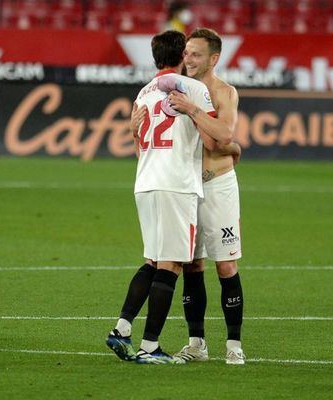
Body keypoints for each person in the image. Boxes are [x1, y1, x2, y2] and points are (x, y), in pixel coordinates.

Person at [105, 30, 232, 365]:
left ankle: (121, 329)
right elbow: (217, 137)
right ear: (181, 56)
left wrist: (134, 131)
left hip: (145, 182)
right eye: (188, 53)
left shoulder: (143, 92)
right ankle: (149, 347)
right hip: (176, 184)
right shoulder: (193, 88)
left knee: (152, 260)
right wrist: (195, 112)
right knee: (172, 264)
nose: (191, 59)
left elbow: (138, 142)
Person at [166, 28, 245, 365]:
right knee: (191, 264)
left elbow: (223, 135)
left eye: (196, 54)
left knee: (225, 265)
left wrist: (193, 110)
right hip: (186, 187)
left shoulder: (224, 92)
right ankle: (196, 343)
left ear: (214, 59)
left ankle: (234, 344)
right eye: (186, 52)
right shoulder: (173, 88)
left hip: (218, 185)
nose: (189, 58)